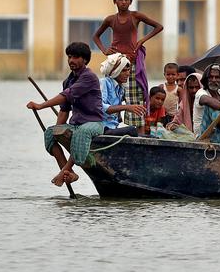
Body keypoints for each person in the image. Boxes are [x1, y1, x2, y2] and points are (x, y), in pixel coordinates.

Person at [28, 45, 146, 186]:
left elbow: (67, 95)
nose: (71, 60)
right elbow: (64, 109)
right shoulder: (68, 81)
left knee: (83, 132)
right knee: (50, 133)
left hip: (95, 124)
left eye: (75, 57)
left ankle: (65, 171)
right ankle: (68, 173)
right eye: (69, 57)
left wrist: (41, 105)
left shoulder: (89, 77)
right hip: (77, 124)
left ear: (84, 60)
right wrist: (58, 130)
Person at [93, 0, 163, 132]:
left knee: (136, 98)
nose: (123, 2)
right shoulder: (111, 19)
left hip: (131, 65)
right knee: (111, 98)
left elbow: (158, 26)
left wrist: (142, 41)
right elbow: (96, 36)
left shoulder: (136, 16)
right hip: (115, 66)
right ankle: (110, 129)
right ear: (115, 1)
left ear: (130, 1)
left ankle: (140, 133)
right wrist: (105, 50)